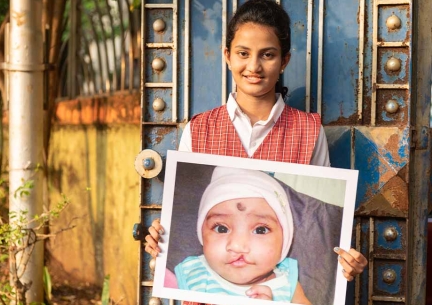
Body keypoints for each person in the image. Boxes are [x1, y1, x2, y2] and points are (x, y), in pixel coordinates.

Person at [145, 0, 368, 301]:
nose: (253, 67)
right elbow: (166, 253)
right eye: (243, 54)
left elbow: (325, 237)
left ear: (285, 60)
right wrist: (160, 243)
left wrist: (344, 264)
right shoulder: (199, 130)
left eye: (268, 55)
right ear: (227, 56)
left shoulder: (308, 131)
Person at [169, 166, 311, 304]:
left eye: (260, 230)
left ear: (284, 240)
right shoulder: (193, 274)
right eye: (221, 229)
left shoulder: (287, 282)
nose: (237, 246)